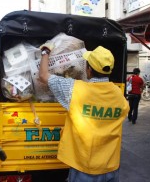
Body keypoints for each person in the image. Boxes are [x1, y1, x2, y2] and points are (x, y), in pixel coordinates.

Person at [39, 44, 129, 182]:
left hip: (85, 168)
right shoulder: (119, 95)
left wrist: (45, 51)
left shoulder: (74, 89)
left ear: (89, 69)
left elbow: (43, 75)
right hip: (111, 168)